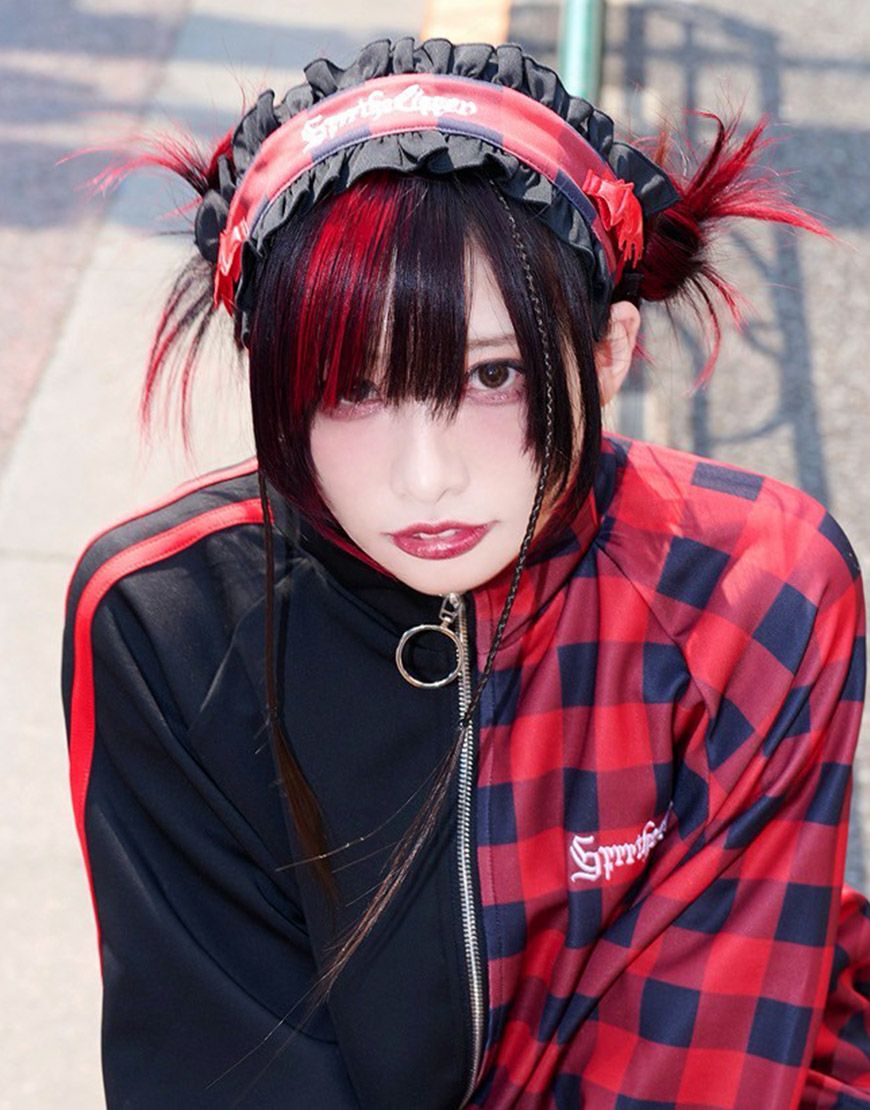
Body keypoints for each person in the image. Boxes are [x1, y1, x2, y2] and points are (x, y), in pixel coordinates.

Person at [61, 36, 870, 1109]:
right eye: (351, 387)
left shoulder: (748, 587)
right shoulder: (171, 622)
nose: (426, 476)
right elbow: (221, 1065)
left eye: (493, 375)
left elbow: (703, 1062)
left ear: (608, 352)